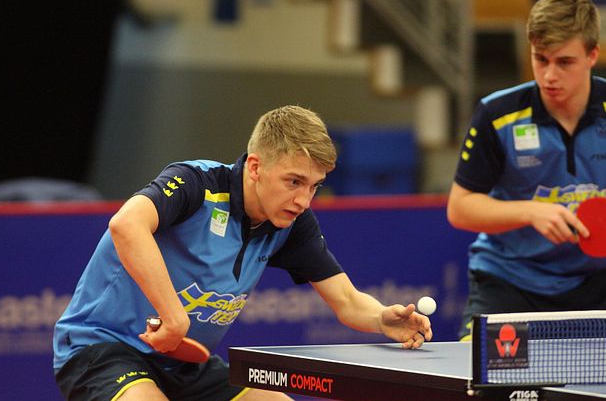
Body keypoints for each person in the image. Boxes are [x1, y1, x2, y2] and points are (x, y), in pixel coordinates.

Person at [53, 105, 433, 400]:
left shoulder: (292, 223)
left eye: (314, 186)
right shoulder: (195, 184)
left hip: (186, 363)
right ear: (255, 167)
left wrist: (382, 319)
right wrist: (174, 317)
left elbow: (347, 300)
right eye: (293, 181)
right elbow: (126, 225)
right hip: (103, 349)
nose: (303, 200)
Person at [447, 0, 606, 340]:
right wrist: (531, 212)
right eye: (540, 59)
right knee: (485, 388)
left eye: (564, 62)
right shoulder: (498, 115)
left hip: (591, 284)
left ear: (593, 55)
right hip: (508, 283)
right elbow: (460, 208)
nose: (549, 75)